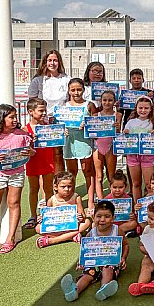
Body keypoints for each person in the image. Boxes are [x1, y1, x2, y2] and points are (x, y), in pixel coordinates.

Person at [0, 104, 34, 254]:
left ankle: (10, 238)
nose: (15, 120)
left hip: (17, 173)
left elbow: (32, 152)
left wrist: (30, 152)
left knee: (14, 203)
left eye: (15, 116)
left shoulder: (22, 135)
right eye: (11, 117)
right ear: (0, 118)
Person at [60, 200, 129, 302]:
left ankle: (104, 288)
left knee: (108, 269)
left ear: (113, 218)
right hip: (94, 263)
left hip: (110, 262)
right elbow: (85, 250)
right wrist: (82, 261)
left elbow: (125, 245)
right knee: (88, 274)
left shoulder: (117, 230)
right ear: (93, 217)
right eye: (99, 216)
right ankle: (74, 290)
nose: (102, 219)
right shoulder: (91, 233)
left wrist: (123, 258)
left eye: (107, 216)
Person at [28, 50, 70, 173]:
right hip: (43, 121)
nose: (52, 63)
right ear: (45, 62)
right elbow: (32, 101)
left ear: (59, 62)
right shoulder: (38, 80)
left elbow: (70, 100)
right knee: (44, 153)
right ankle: (48, 184)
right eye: (50, 60)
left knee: (58, 153)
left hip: (60, 121)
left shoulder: (66, 79)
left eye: (55, 60)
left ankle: (59, 181)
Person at [61, 78, 97, 211]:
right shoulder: (65, 106)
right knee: (71, 172)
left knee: (88, 172)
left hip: (84, 142)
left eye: (79, 90)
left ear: (83, 90)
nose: (76, 93)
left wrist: (87, 124)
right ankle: (72, 200)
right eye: (73, 90)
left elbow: (96, 125)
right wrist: (62, 129)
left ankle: (91, 202)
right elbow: (59, 124)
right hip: (70, 142)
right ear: (69, 91)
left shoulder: (89, 105)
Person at [35, 171, 92, 248]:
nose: (66, 189)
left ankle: (52, 240)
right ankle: (71, 236)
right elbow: (46, 217)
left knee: (87, 222)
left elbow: (83, 216)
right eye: (63, 186)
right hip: (56, 228)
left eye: (69, 186)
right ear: (56, 187)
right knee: (38, 228)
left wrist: (80, 217)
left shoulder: (76, 197)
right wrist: (41, 218)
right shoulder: (52, 200)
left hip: (71, 226)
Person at [23, 98, 55, 230]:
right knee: (33, 189)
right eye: (41, 110)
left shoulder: (49, 127)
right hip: (33, 162)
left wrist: (62, 134)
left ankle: (49, 213)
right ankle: (33, 215)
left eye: (44, 110)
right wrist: (30, 142)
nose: (44, 113)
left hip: (47, 160)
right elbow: (21, 148)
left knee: (48, 189)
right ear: (31, 112)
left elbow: (57, 142)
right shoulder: (25, 130)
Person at [124, 96, 154, 199]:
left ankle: (149, 208)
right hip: (132, 156)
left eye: (146, 108)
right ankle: (137, 208)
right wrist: (125, 133)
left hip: (147, 156)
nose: (143, 110)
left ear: (151, 109)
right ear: (136, 108)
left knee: (149, 185)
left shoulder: (153, 122)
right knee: (136, 184)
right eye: (140, 108)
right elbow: (124, 138)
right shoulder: (130, 122)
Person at [92, 90, 122, 202]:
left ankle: (113, 198)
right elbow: (92, 133)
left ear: (114, 102)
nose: (107, 103)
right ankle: (100, 200)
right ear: (100, 101)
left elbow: (119, 132)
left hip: (110, 146)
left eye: (110, 100)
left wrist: (117, 127)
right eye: (105, 100)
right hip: (97, 146)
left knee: (111, 176)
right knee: (99, 176)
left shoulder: (118, 115)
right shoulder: (95, 115)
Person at [102, 170, 139, 235]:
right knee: (96, 224)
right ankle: (118, 232)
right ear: (110, 186)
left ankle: (114, 232)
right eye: (114, 187)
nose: (117, 190)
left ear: (125, 186)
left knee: (133, 223)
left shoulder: (128, 199)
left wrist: (132, 216)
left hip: (123, 223)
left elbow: (132, 214)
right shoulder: (106, 199)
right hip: (111, 223)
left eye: (121, 187)